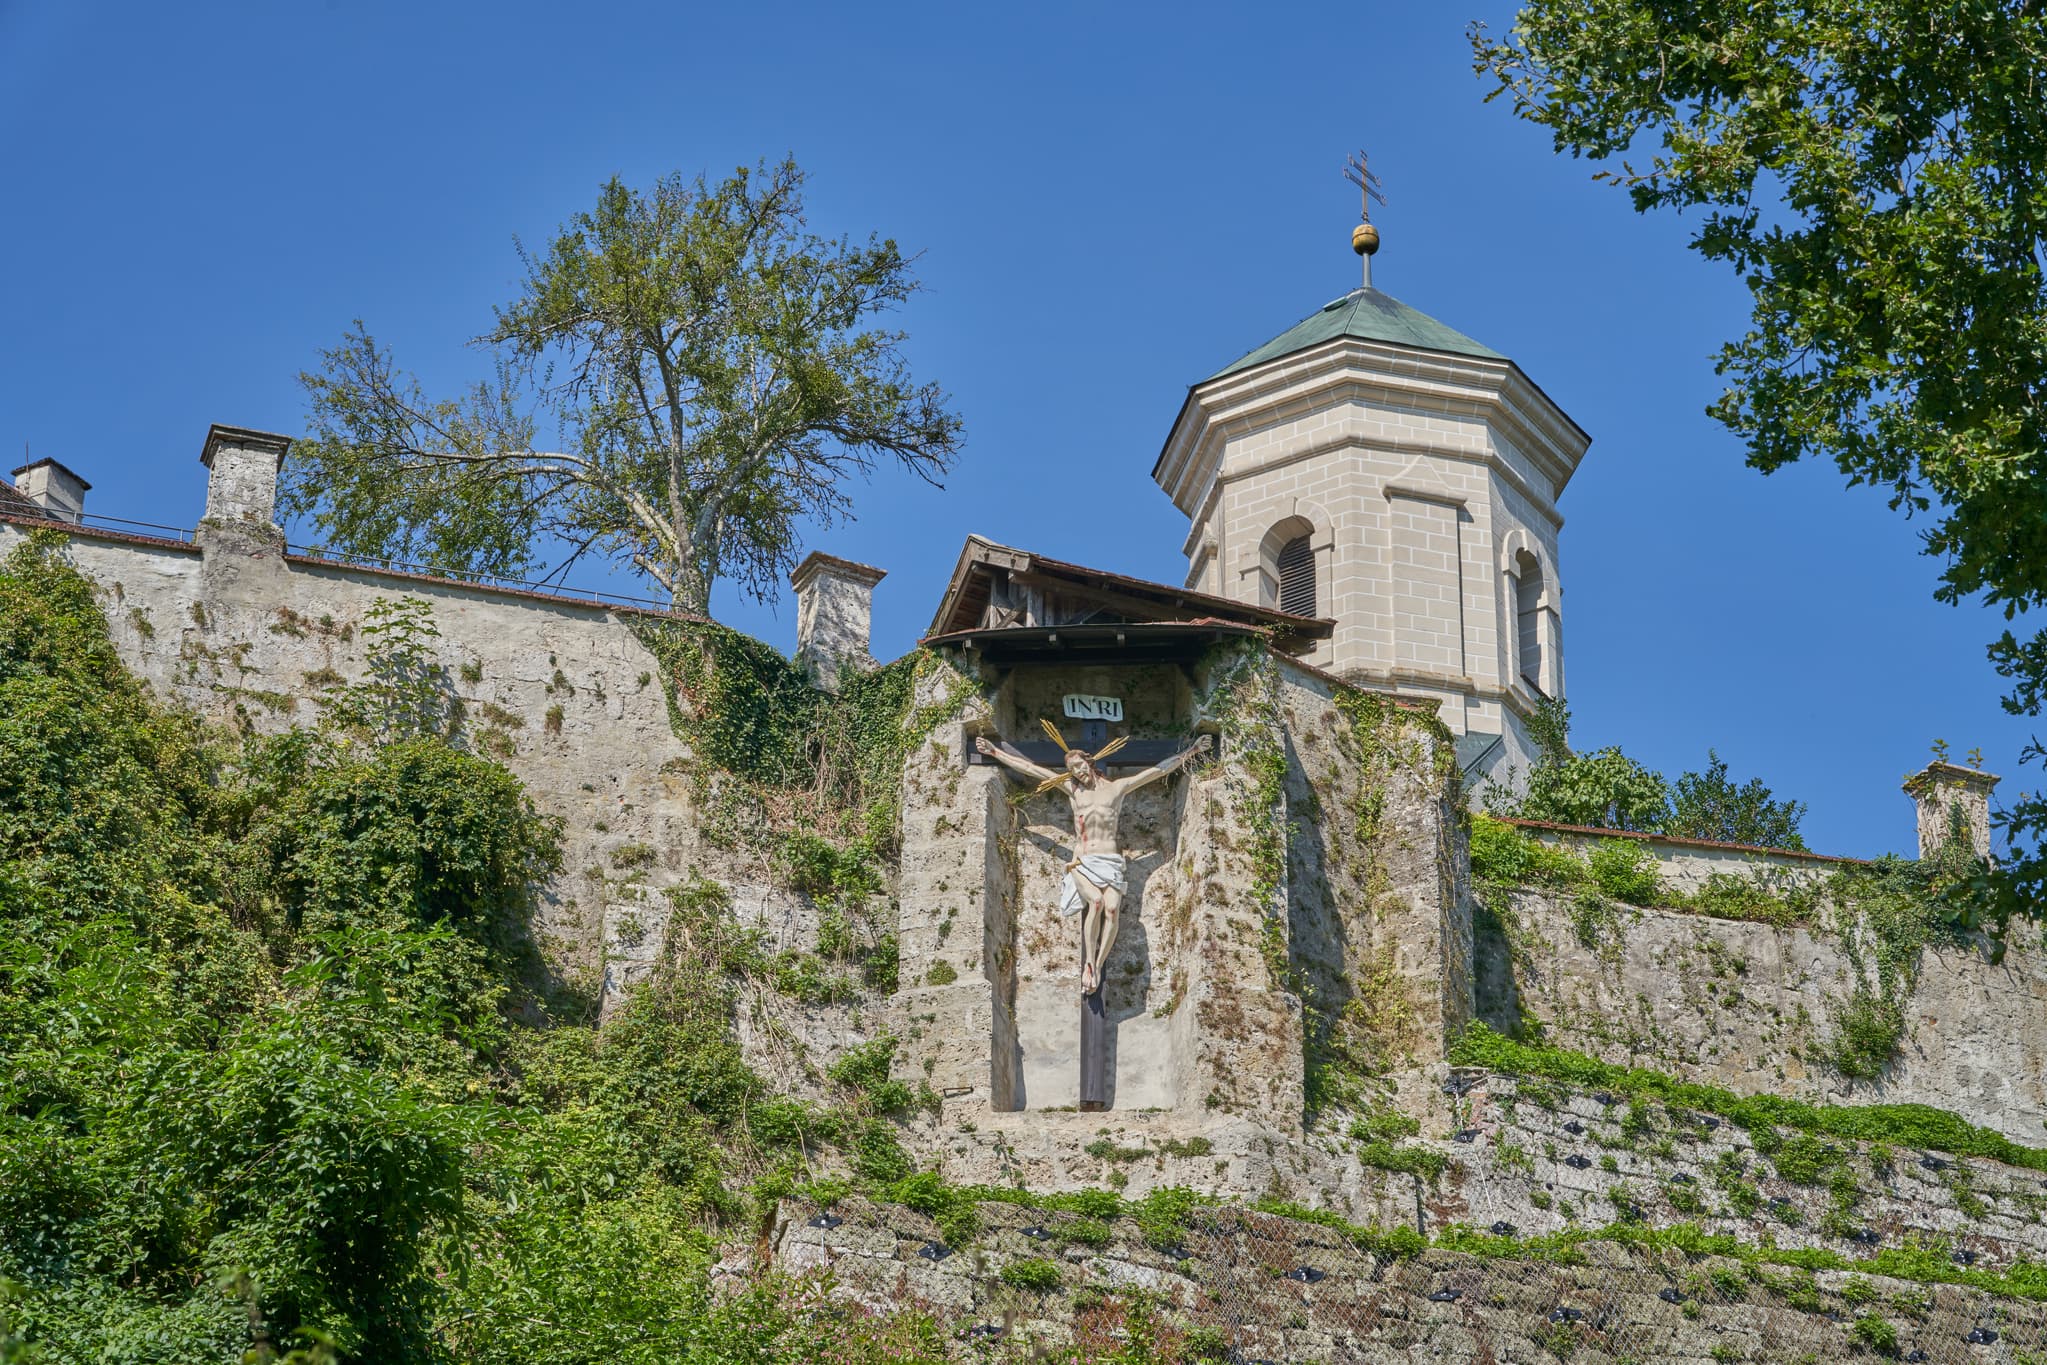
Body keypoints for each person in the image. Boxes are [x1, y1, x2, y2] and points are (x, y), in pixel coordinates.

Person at [974, 729, 1214, 995]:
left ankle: (1098, 965)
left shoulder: (1117, 788)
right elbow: (1033, 769)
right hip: (1083, 860)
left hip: (1110, 860)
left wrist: (1191, 751)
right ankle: (1089, 961)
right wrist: (995, 752)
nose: (1078, 772)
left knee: (1112, 910)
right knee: (1097, 903)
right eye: (1073, 769)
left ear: (1090, 762)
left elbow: (1157, 771)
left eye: (1080, 766)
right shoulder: (1073, 791)